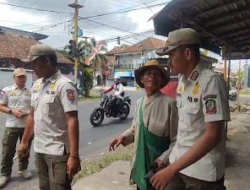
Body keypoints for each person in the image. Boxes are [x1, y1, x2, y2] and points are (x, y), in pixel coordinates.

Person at [150, 28, 230, 190]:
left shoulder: (210, 82)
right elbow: (185, 131)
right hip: (179, 165)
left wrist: (171, 169)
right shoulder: (182, 80)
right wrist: (167, 158)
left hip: (202, 175)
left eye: (172, 55)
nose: (169, 61)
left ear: (187, 54)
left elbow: (213, 135)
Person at [18, 44, 81, 190]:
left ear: (47, 61)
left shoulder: (64, 86)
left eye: (34, 64)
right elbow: (32, 115)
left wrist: (74, 156)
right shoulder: (37, 85)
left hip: (58, 152)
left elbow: (72, 120)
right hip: (40, 149)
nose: (33, 68)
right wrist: (24, 142)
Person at [109, 60, 178, 190]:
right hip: (141, 166)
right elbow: (135, 129)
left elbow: (177, 141)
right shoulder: (139, 103)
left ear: (161, 79)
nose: (152, 76)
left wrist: (163, 159)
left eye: (156, 74)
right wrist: (123, 137)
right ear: (142, 79)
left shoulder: (170, 104)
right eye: (148, 73)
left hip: (161, 170)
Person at [0, 68, 32, 188]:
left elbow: (34, 108)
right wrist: (11, 111)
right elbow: (1, 106)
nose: (22, 79)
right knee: (7, 151)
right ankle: (5, 174)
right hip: (12, 126)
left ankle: (23, 169)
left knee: (25, 150)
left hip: (26, 127)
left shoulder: (31, 91)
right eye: (19, 77)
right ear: (14, 78)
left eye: (23, 77)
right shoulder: (6, 91)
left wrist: (28, 113)